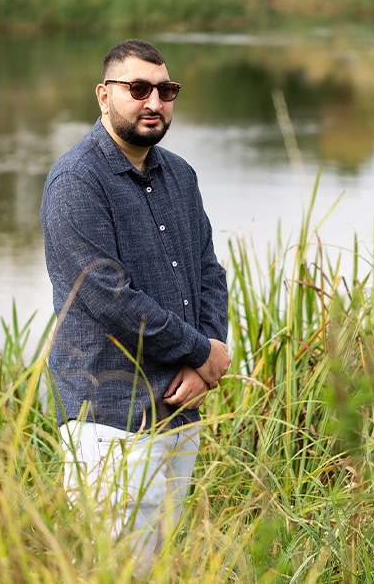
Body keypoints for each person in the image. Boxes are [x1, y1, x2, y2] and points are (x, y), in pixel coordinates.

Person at [40, 38, 231, 572]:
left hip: (176, 407)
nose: (154, 102)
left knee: (164, 562)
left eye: (165, 90)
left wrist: (206, 355)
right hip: (109, 418)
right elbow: (108, 299)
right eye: (138, 89)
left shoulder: (180, 175)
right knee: (117, 569)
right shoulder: (77, 181)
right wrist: (201, 352)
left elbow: (208, 271)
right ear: (104, 96)